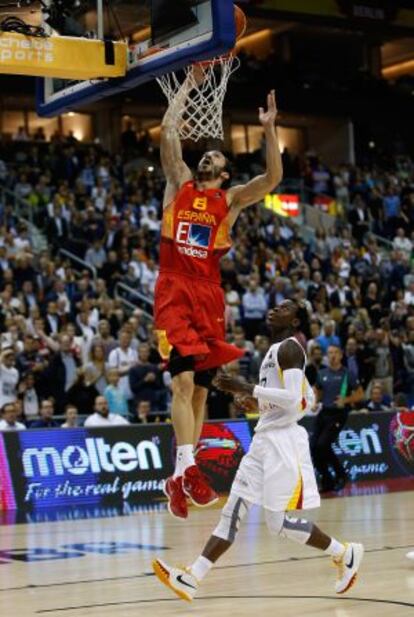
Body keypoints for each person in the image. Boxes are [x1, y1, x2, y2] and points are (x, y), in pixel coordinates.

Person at [152, 301, 364, 601]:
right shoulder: (273, 352)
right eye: (276, 306)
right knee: (231, 513)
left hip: (283, 444)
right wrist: (254, 403)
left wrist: (247, 387)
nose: (275, 309)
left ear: (296, 322)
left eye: (286, 308)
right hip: (263, 440)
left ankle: (344, 552)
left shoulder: (291, 349)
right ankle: (191, 577)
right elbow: (291, 400)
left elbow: (292, 401)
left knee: (277, 523)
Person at [154, 74, 283, 519]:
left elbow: (272, 177)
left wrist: (268, 130)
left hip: (208, 295)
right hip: (173, 288)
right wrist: (185, 88)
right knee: (182, 382)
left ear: (225, 173)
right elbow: (169, 134)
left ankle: (178, 474)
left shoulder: (229, 201)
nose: (206, 155)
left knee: (201, 392)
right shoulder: (180, 184)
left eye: (215, 155)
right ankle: (188, 469)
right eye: (205, 152)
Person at [312, 346, 364, 492]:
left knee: (323, 445)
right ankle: (327, 479)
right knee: (313, 447)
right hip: (323, 412)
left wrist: (346, 399)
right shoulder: (322, 373)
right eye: (329, 353)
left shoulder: (348, 374)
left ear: (341, 355)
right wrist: (315, 402)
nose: (332, 355)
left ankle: (341, 475)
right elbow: (317, 390)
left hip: (338, 414)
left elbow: (360, 394)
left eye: (335, 353)